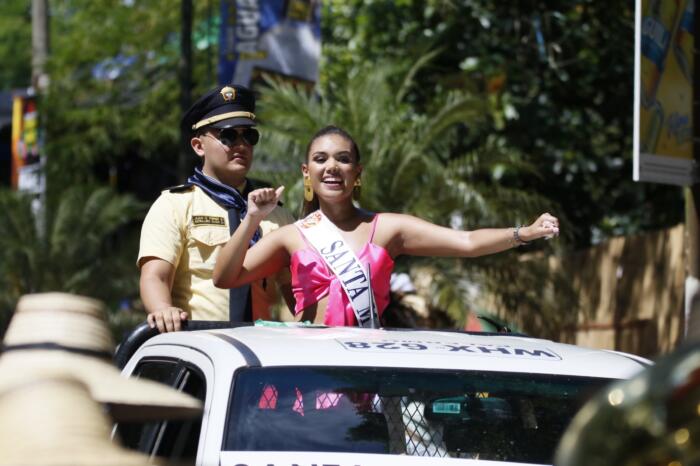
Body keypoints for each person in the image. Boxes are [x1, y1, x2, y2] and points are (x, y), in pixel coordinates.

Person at [213, 125, 559, 327]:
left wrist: (521, 234)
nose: (332, 167)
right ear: (307, 173)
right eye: (321, 159)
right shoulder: (291, 236)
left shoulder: (387, 228)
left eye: (343, 159)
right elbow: (225, 278)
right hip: (312, 372)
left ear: (357, 173)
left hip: (370, 368)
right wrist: (252, 219)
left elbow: (466, 242)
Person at [138, 85, 295, 333]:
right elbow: (155, 276)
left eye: (249, 136)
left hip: (263, 350)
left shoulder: (277, 213)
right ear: (199, 146)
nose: (241, 145)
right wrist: (162, 309)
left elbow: (295, 290)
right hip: (199, 345)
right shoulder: (175, 204)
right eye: (228, 136)